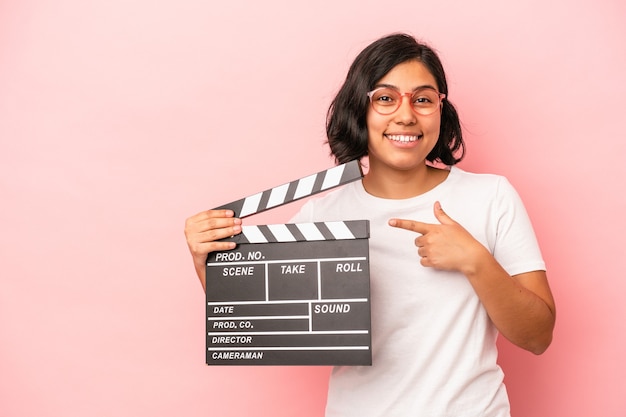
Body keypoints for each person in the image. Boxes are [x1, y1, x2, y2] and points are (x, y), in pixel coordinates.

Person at [184, 33, 556, 416]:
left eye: (424, 99)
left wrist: (475, 261)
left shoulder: (491, 197)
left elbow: (538, 336)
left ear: (441, 111)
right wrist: (204, 258)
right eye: (385, 98)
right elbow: (257, 323)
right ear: (358, 109)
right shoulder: (322, 215)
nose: (406, 114)